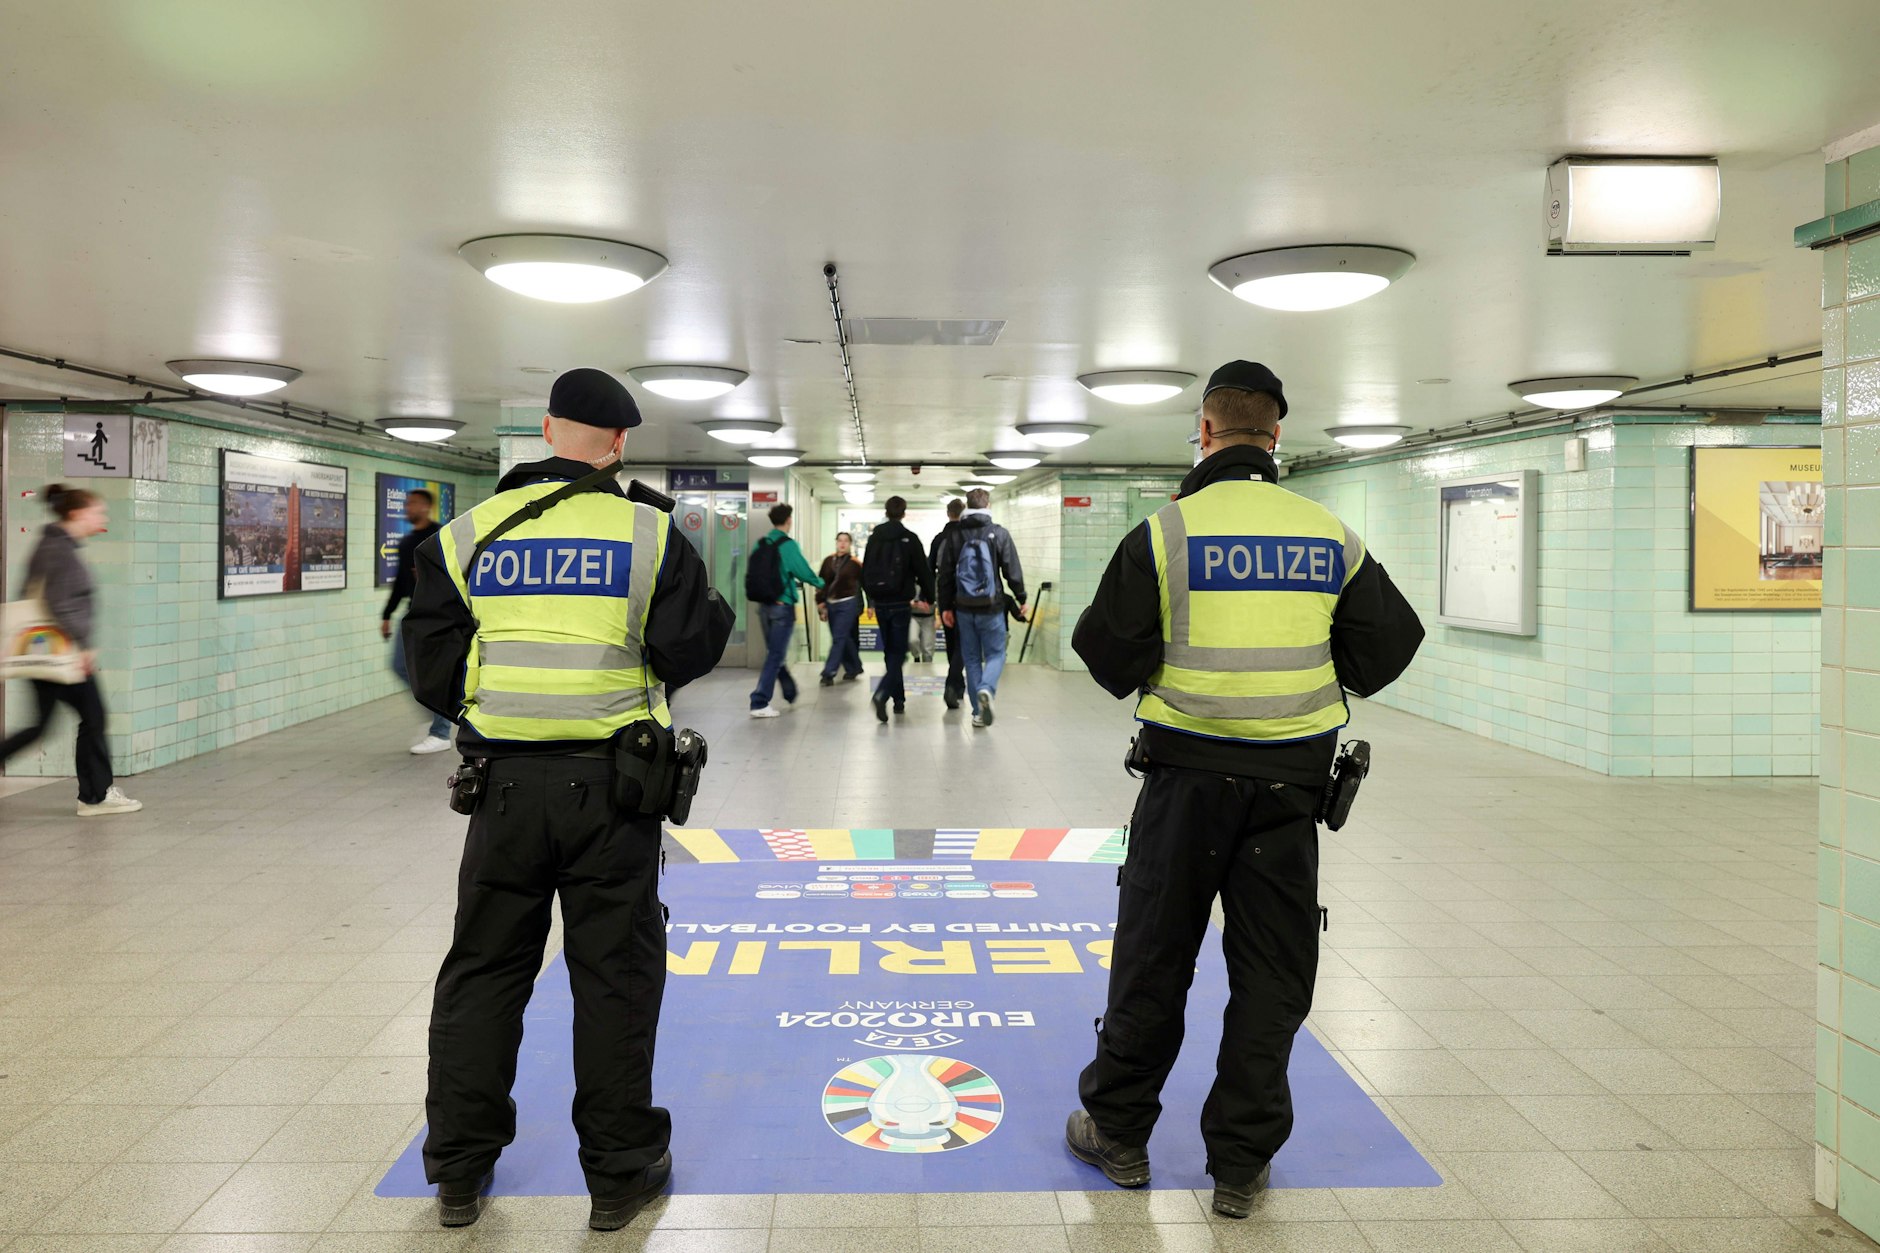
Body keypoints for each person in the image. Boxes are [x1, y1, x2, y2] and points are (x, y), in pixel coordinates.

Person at [1063, 360, 1424, 1219]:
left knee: (1155, 954)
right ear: (1276, 439)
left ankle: (1119, 1133)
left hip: (1183, 786)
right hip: (1289, 795)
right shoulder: (1328, 534)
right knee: (1271, 973)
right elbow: (1387, 651)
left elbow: (1104, 654)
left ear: (1206, 433)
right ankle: (1241, 1164)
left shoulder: (1166, 533)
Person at [402, 368, 734, 1232]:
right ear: (619, 443)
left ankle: (460, 1171)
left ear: (547, 429)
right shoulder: (648, 532)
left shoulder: (467, 533)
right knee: (614, 977)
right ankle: (620, 1173)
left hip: (500, 791)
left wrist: (497, 711)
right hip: (613, 794)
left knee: (482, 971)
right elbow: (686, 648)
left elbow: (432, 666)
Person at [0, 484, 141, 816]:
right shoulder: (59, 550)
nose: (101, 517)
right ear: (77, 513)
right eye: (97, 511)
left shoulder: (55, 545)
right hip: (63, 653)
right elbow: (60, 604)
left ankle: (94, 795)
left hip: (49, 654)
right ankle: (95, 796)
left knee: (44, 725)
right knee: (93, 718)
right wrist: (83, 645)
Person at [936, 488, 1026, 728]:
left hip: (963, 607)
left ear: (967, 505)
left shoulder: (954, 536)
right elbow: (1011, 569)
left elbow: (944, 575)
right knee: (996, 654)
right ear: (987, 505)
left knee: (972, 658)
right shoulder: (998, 533)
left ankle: (977, 711)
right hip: (992, 606)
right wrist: (1021, 596)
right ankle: (987, 689)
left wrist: (944, 606)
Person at [382, 487, 453, 754]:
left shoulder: (440, 537)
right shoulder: (407, 542)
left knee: (432, 672)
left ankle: (441, 732)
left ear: (425, 507)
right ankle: (438, 714)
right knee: (399, 665)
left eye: (412, 504)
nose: (407, 508)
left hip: (437, 614)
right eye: (407, 504)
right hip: (413, 612)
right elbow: (400, 582)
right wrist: (386, 615)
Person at [861, 496, 934, 724]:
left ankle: (899, 699)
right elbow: (923, 571)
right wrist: (929, 598)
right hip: (901, 605)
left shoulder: (875, 538)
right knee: (898, 653)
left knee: (890, 653)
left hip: (881, 603)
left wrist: (870, 599)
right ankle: (883, 693)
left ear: (886, 512)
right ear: (904, 513)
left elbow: (866, 571)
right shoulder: (910, 539)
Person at [746, 502, 822, 719]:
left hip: (764, 608)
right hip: (782, 608)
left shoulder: (761, 543)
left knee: (774, 654)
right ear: (789, 520)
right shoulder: (787, 545)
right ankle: (759, 701)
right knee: (775, 655)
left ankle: (789, 690)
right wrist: (823, 584)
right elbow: (803, 572)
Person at [815, 532, 865, 686]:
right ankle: (855, 666)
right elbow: (821, 583)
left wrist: (872, 604)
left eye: (846, 541)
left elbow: (865, 583)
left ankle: (829, 672)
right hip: (831, 603)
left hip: (847, 603)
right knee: (843, 637)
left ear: (850, 544)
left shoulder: (855, 563)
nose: (842, 544)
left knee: (839, 638)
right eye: (840, 541)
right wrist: (820, 603)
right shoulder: (828, 561)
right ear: (836, 542)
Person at [930, 499, 966, 707]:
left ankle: (957, 686)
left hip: (944, 595)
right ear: (963, 513)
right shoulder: (967, 536)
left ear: (947, 513)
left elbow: (930, 567)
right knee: (963, 643)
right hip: (967, 597)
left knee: (952, 642)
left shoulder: (939, 538)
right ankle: (954, 685)